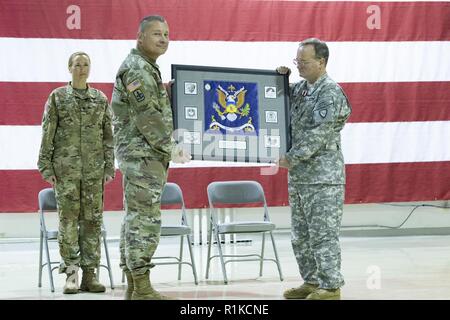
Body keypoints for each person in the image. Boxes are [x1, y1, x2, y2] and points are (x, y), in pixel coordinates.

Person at [111, 15, 190, 300]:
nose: (163, 39)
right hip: (143, 155)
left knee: (135, 218)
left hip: (143, 155)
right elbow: (148, 118)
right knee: (144, 220)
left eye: (167, 34)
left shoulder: (146, 68)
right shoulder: (137, 69)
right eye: (157, 33)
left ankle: (134, 286)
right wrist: (172, 148)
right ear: (140, 37)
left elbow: (149, 108)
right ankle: (142, 287)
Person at [277, 38, 352, 300]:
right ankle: (311, 281)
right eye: (297, 61)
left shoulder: (329, 92)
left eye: (304, 62)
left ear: (321, 62)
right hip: (300, 178)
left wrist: (292, 157)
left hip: (323, 178)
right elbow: (278, 102)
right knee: (301, 236)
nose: (299, 66)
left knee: (323, 235)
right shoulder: (303, 89)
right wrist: (278, 80)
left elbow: (319, 133)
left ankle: (331, 286)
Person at [37, 52, 115, 294]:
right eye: (77, 65)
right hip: (66, 171)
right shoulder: (58, 98)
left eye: (86, 64)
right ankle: (71, 273)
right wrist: (45, 165)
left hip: (94, 171)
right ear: (69, 68)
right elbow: (48, 131)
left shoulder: (99, 99)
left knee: (92, 222)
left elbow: (108, 136)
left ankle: (90, 275)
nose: (82, 69)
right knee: (69, 222)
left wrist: (109, 166)